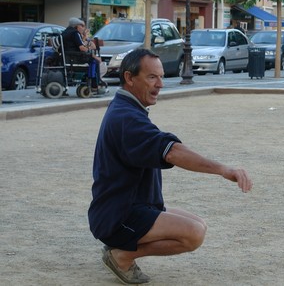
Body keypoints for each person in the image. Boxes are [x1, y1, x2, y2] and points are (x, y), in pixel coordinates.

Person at [88, 48, 253, 284]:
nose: (160, 84)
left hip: (126, 207)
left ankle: (121, 246)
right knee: (193, 235)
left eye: (162, 76)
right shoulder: (127, 118)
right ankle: (122, 255)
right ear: (129, 78)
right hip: (118, 216)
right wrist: (223, 170)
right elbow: (172, 152)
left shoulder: (127, 109)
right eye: (152, 77)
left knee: (198, 224)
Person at [62, 17, 102, 91]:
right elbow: (82, 48)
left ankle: (94, 83)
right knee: (94, 61)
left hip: (68, 57)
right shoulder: (75, 33)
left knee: (92, 58)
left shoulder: (64, 32)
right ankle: (94, 84)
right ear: (76, 26)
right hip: (75, 58)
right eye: (81, 26)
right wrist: (89, 50)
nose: (83, 28)